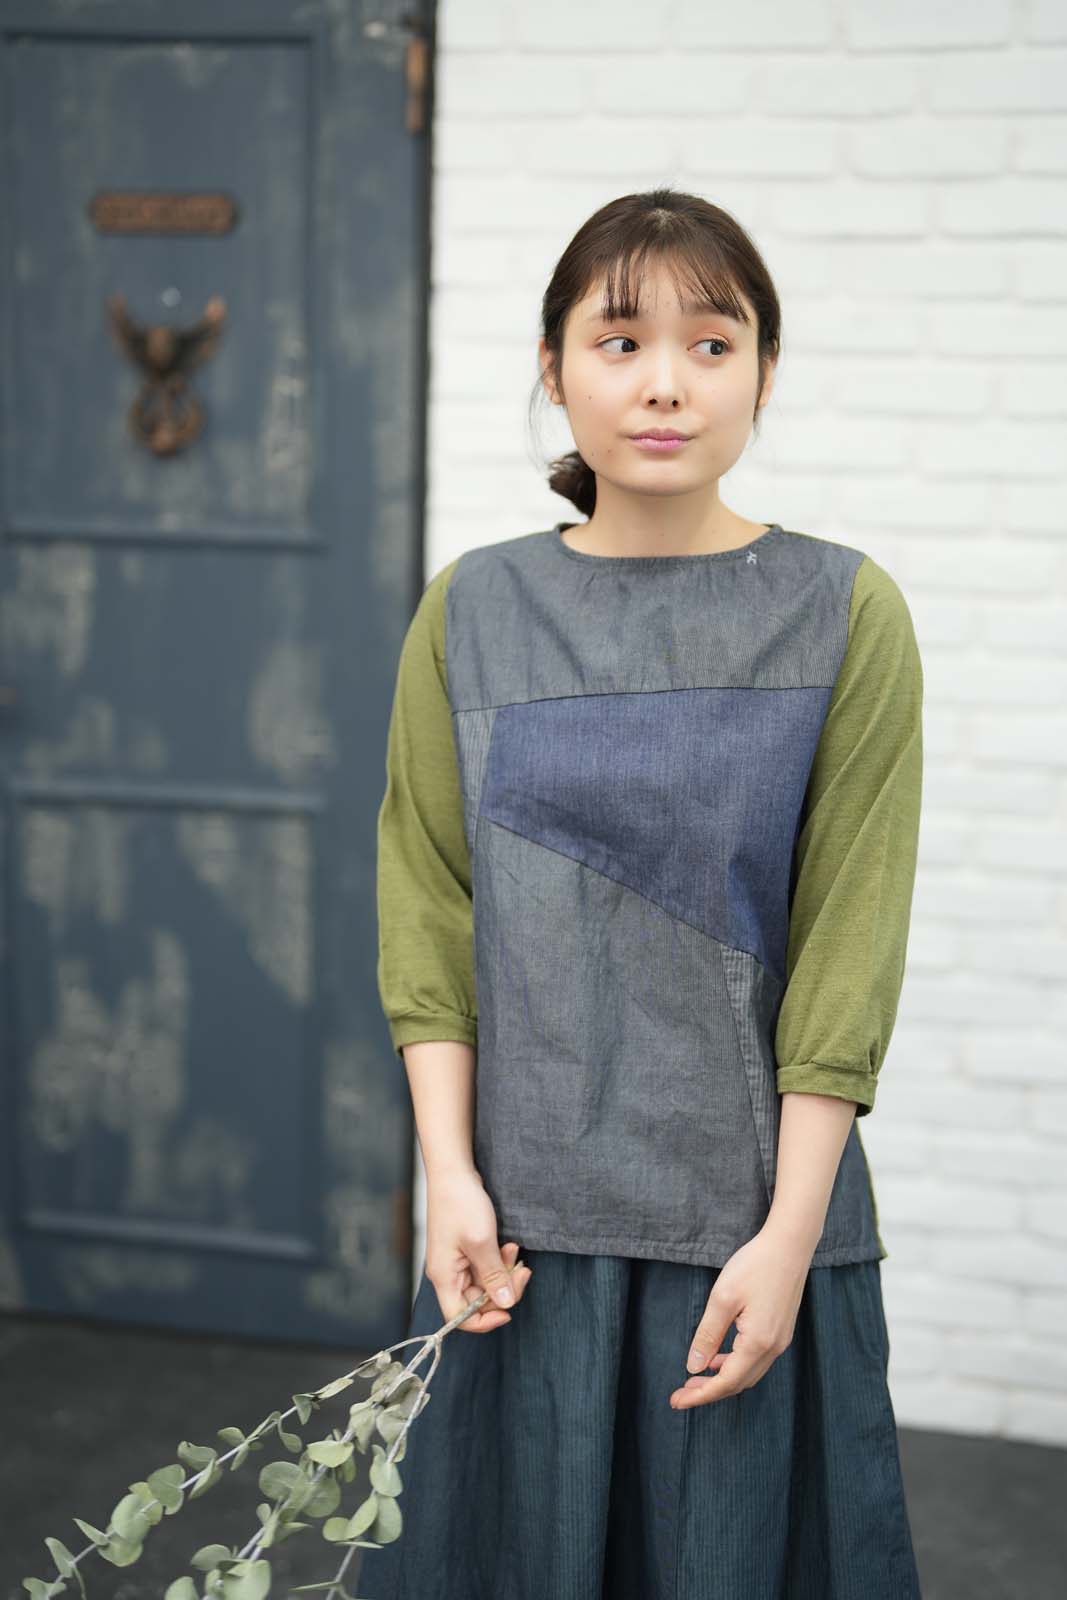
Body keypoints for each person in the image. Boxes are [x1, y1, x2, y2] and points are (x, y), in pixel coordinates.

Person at [358, 187, 925, 1599]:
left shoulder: (845, 612)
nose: (666, 382)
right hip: (519, 1236)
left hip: (744, 1236)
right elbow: (429, 908)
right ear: (554, 371)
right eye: (619, 342)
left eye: (712, 344)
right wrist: (447, 1180)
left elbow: (847, 951)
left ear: (764, 374)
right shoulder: (471, 610)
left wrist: (790, 1240)